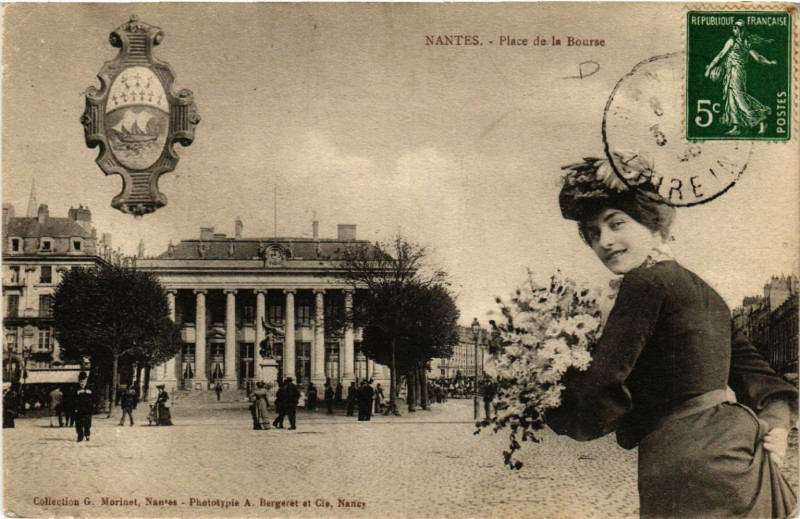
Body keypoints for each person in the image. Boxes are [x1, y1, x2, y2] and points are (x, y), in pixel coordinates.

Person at [546, 158, 798, 518]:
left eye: (616, 223)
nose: (606, 241)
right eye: (593, 233)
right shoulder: (706, 291)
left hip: (683, 463)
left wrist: (546, 402)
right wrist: (776, 421)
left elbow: (602, 391)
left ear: (653, 226)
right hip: (741, 459)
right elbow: (761, 378)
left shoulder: (642, 282)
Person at [704, 20, 777, 136]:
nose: (733, 30)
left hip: (736, 71)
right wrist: (769, 63)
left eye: (735, 27)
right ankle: (736, 126)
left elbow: (721, 55)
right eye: (733, 27)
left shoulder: (734, 41)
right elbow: (758, 57)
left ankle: (761, 119)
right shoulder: (744, 42)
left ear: (740, 29)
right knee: (732, 98)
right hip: (732, 72)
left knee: (739, 98)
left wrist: (709, 69)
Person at [74, 373, 93, 442]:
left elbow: (95, 397)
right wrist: (77, 393)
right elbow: (72, 397)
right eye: (80, 381)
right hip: (78, 409)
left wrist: (89, 392)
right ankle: (80, 436)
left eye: (83, 381)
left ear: (86, 380)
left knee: (87, 423)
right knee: (78, 423)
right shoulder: (75, 388)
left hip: (88, 409)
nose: (81, 383)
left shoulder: (90, 387)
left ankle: (87, 434)